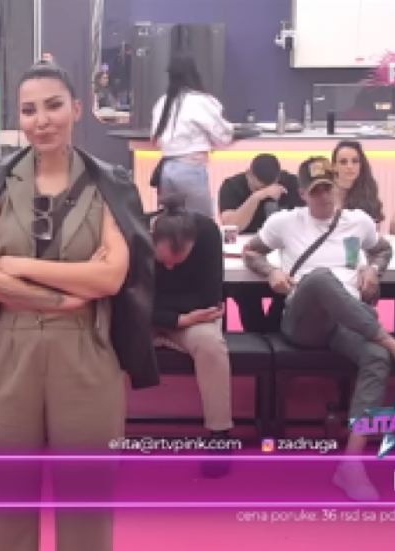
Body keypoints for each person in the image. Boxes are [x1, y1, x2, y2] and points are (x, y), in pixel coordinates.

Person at [0, 60, 157, 551]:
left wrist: (16, 265)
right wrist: (68, 295)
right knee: (2, 504)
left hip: (88, 353)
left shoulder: (111, 183)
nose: (41, 120)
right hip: (8, 349)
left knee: (87, 505)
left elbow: (111, 276)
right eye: (29, 110)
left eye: (53, 106)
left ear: (76, 109)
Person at [243, 156, 395, 501]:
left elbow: (381, 249)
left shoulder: (358, 221)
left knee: (376, 357)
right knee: (321, 278)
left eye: (329, 188)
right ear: (303, 193)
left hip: (348, 321)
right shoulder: (284, 221)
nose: (324, 196)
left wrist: (374, 270)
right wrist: (271, 271)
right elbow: (251, 251)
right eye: (317, 191)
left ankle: (351, 463)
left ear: (337, 188)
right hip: (303, 321)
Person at [152, 196, 234, 477]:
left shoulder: (208, 233)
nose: (170, 267)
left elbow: (210, 299)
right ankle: (107, 433)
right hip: (152, 318)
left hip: (196, 318)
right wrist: (177, 318)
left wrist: (163, 310)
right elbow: (131, 300)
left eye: (178, 261)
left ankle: (220, 433)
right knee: (104, 339)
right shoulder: (134, 233)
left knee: (211, 344)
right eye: (165, 261)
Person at [219, 153, 304, 332]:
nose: (268, 191)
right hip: (248, 254)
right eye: (260, 186)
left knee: (291, 291)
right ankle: (257, 335)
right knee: (245, 295)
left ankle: (272, 332)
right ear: (248, 174)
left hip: (284, 256)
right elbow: (231, 225)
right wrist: (256, 197)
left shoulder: (292, 184)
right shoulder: (232, 186)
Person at [150, 52, 233, 217]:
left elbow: (157, 139)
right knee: (201, 224)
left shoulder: (162, 102)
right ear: (195, 73)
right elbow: (224, 136)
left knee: (172, 223)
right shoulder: (200, 101)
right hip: (191, 170)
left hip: (166, 170)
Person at [331, 141, 384, 224]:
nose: (350, 166)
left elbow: (374, 226)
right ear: (334, 167)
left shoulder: (368, 190)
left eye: (355, 161)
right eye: (343, 162)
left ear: (361, 165)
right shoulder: (326, 192)